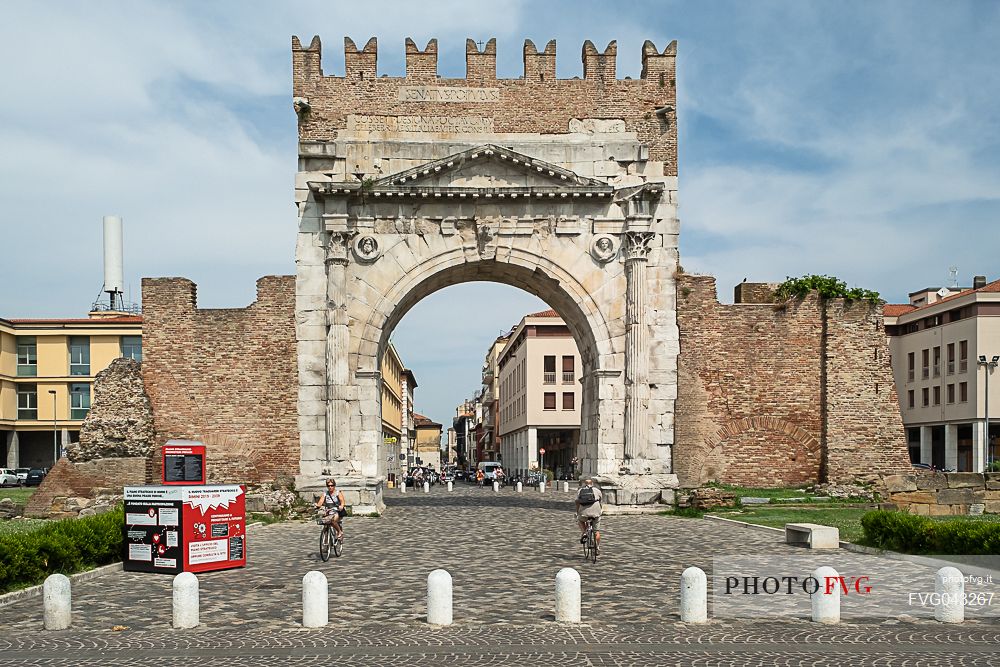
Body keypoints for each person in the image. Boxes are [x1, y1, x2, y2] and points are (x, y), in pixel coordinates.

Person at [575, 478, 602, 551]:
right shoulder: (597, 490)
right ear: (592, 484)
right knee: (596, 531)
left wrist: (577, 512)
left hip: (584, 513)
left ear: (584, 484)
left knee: (579, 520)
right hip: (596, 513)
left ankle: (584, 532)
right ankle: (598, 547)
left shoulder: (580, 491)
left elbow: (577, 502)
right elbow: (600, 500)